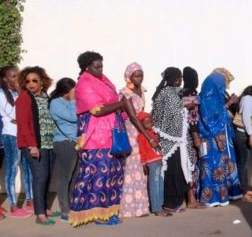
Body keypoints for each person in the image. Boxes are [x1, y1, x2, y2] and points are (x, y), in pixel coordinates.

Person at [70, 51, 157, 227]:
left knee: (112, 175)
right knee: (97, 175)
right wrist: (122, 104)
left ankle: (108, 211)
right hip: (96, 137)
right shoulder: (84, 84)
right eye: (97, 66)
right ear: (87, 67)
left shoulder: (103, 80)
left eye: (101, 65)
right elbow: (97, 110)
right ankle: (93, 214)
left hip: (113, 134)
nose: (100, 69)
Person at [16, 66, 59, 225]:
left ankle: (46, 208)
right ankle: (40, 214)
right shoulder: (24, 98)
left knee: (47, 176)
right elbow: (23, 124)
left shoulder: (46, 97)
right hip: (34, 144)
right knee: (40, 177)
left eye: (35, 80)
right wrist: (32, 145)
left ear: (42, 82)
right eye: (27, 81)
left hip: (49, 143)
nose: (31, 84)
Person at [197, 72, 242, 206]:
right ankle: (211, 198)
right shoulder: (208, 99)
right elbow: (209, 118)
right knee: (212, 167)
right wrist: (217, 137)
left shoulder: (216, 97)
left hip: (220, 136)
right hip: (212, 138)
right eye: (222, 83)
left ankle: (222, 196)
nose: (224, 86)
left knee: (221, 166)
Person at [152, 67, 191, 213]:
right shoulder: (167, 93)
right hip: (171, 140)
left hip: (178, 139)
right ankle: (169, 203)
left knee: (179, 171)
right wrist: (185, 107)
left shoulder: (172, 92)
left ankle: (177, 202)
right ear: (176, 78)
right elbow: (172, 115)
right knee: (172, 172)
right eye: (179, 78)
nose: (181, 81)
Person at [0, 65, 33, 218]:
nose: (17, 78)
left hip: (23, 133)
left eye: (18, 75)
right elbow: (14, 113)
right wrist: (19, 117)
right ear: (5, 78)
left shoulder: (18, 92)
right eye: (13, 76)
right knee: (12, 169)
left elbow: (27, 113)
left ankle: (30, 201)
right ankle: (13, 206)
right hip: (11, 135)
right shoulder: (1, 94)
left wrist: (20, 118)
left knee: (27, 168)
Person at [118, 62, 150, 218]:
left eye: (141, 75)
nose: (139, 78)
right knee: (131, 169)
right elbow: (132, 116)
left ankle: (141, 207)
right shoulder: (126, 93)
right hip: (131, 132)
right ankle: (129, 208)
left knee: (141, 169)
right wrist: (147, 135)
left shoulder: (141, 91)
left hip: (141, 132)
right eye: (136, 75)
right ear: (129, 76)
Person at [49, 77, 78, 222]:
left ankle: (72, 206)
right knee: (64, 177)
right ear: (66, 91)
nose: (76, 91)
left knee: (75, 177)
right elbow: (73, 117)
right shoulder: (56, 103)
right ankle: (65, 211)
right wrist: (73, 101)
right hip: (64, 143)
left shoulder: (73, 102)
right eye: (73, 89)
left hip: (77, 143)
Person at [179, 66, 206, 209]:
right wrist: (196, 137)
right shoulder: (192, 93)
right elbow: (193, 118)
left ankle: (189, 198)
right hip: (190, 136)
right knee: (192, 167)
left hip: (182, 135)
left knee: (186, 165)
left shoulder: (181, 92)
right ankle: (191, 200)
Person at [136, 112, 171, 217]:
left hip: (159, 161)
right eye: (146, 123)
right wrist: (143, 163)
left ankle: (160, 205)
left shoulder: (153, 133)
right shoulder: (141, 136)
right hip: (152, 162)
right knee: (154, 185)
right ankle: (156, 208)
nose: (150, 124)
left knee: (160, 183)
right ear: (141, 125)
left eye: (150, 121)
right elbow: (142, 151)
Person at [233, 85, 252, 201]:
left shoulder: (245, 98)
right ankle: (243, 191)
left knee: (242, 163)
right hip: (244, 134)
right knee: (243, 164)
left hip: (243, 134)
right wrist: (251, 136)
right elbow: (246, 117)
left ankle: (242, 189)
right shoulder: (249, 98)